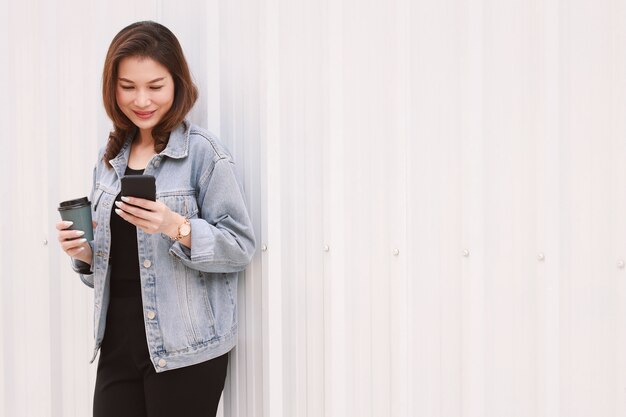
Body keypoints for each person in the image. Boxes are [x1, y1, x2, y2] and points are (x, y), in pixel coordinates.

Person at [55, 21, 256, 417]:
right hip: (116, 341)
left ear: (178, 84)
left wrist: (174, 226)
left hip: (186, 347)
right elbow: (108, 270)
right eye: (128, 87)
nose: (141, 99)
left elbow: (239, 247)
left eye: (155, 86)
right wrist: (83, 254)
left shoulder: (203, 153)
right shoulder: (109, 157)